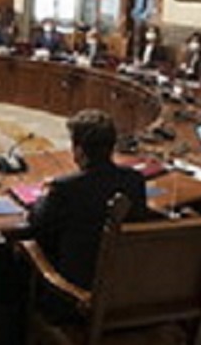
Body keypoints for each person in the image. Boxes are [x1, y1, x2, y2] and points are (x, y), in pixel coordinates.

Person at [28, 110, 148, 296]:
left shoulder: (65, 188)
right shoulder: (134, 180)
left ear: (79, 151)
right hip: (123, 285)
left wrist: (46, 194)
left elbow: (36, 223)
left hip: (75, 291)